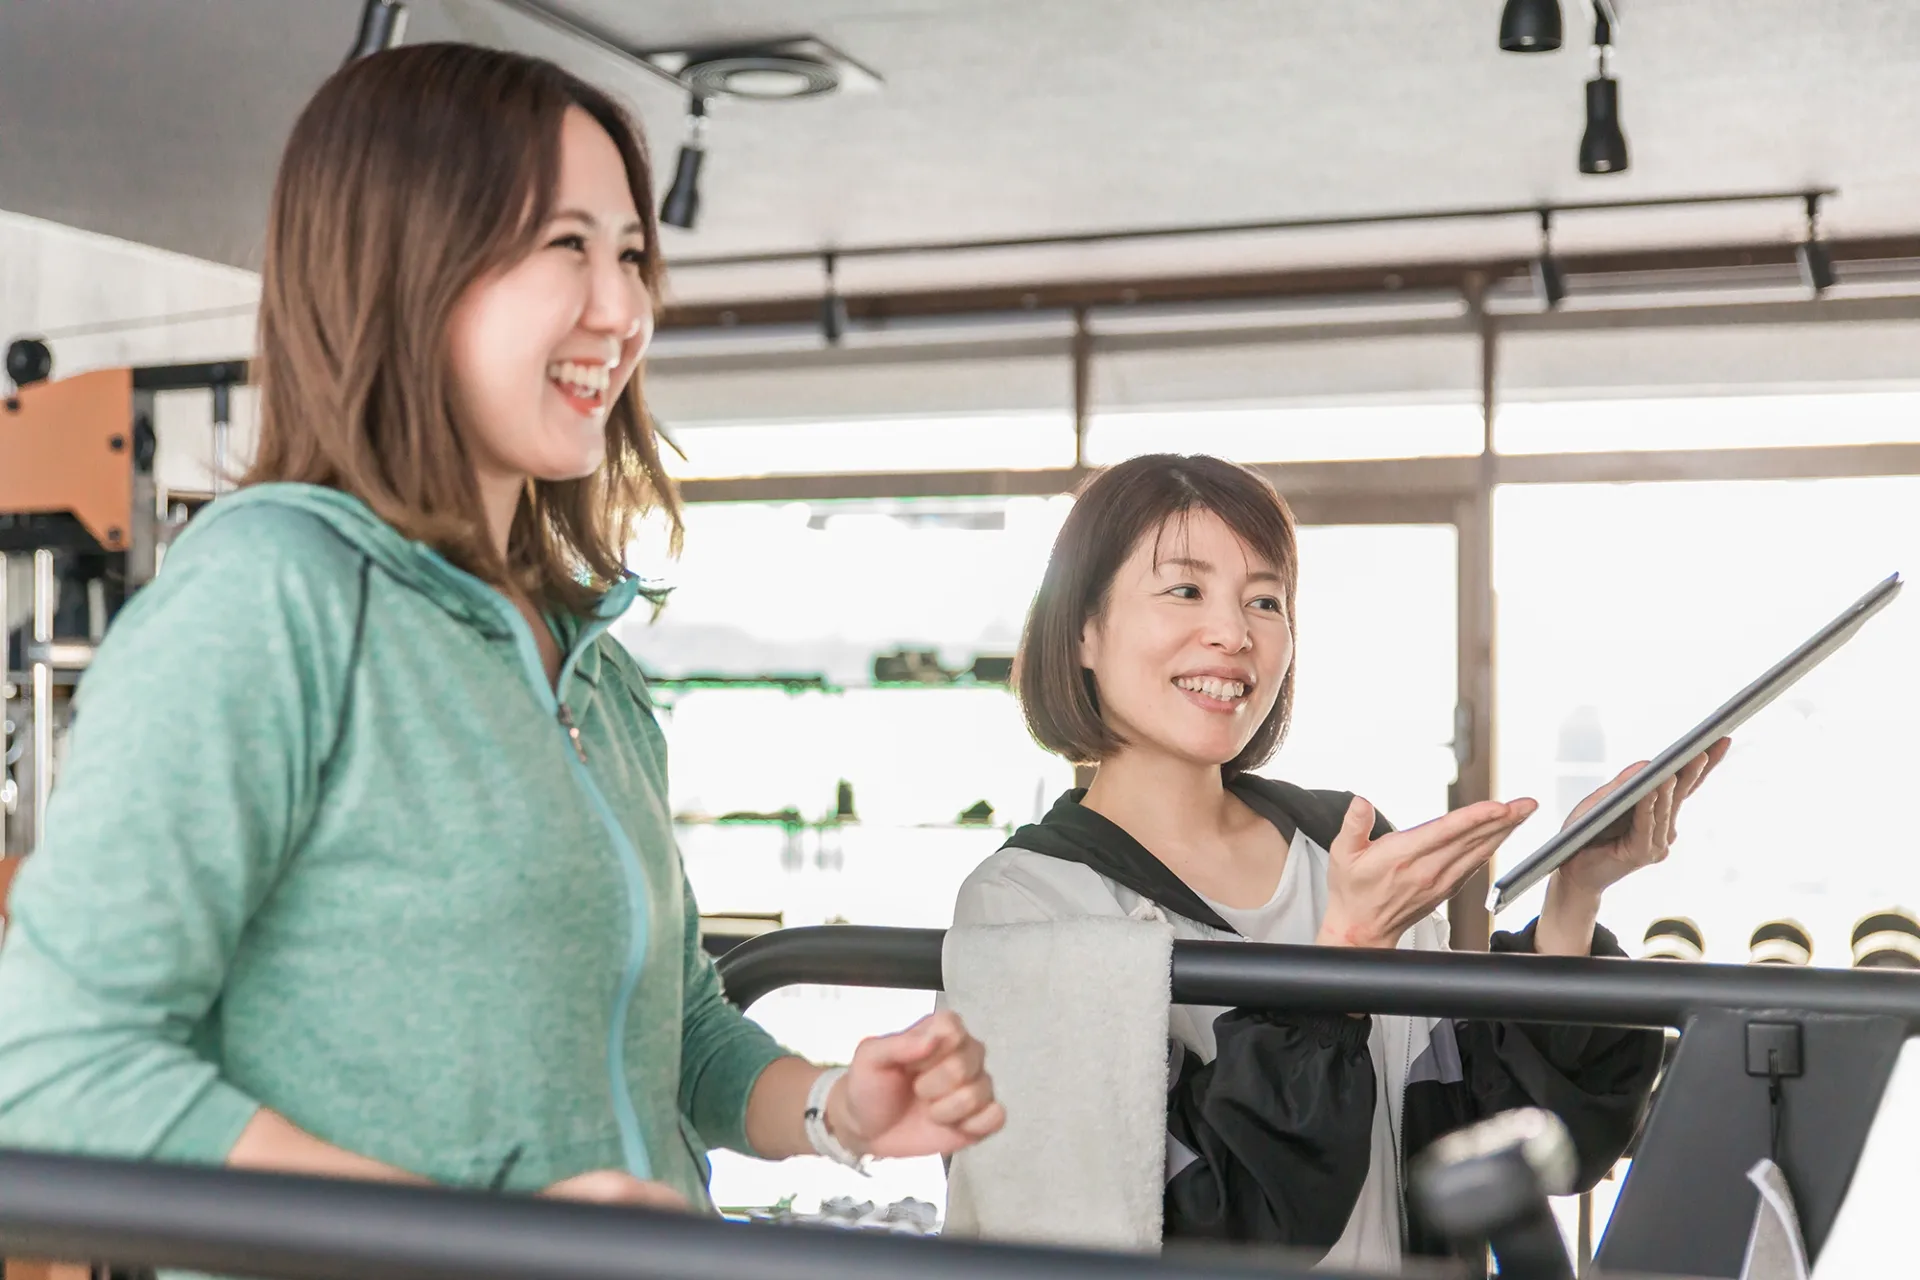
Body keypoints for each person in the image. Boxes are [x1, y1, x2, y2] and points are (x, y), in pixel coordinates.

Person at [0, 43, 1002, 1211]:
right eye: (564, 246)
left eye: (630, 253)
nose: (623, 307)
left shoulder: (592, 664)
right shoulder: (268, 602)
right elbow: (56, 1069)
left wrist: (834, 1103)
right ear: (405, 267)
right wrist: (478, 1236)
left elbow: (671, 1030)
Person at [953, 453, 1726, 1271]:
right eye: (1185, 590)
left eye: (1264, 600)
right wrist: (1342, 964)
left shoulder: (1341, 846)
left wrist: (1577, 894)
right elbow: (1184, 1228)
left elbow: (1497, 1124)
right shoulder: (1025, 904)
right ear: (1083, 627)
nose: (1233, 632)